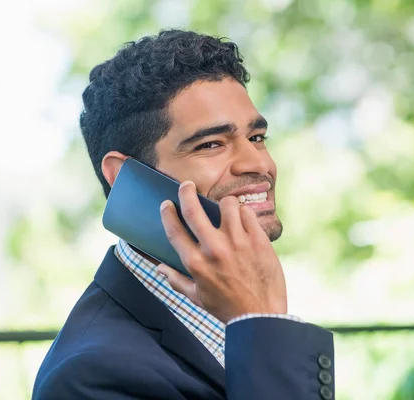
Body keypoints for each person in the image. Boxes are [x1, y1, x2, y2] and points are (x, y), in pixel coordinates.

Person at [32, 29, 335, 400]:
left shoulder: (233, 304)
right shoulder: (89, 377)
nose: (259, 163)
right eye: (211, 144)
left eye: (256, 138)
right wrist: (263, 327)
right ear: (125, 176)